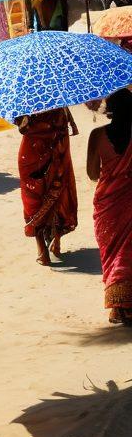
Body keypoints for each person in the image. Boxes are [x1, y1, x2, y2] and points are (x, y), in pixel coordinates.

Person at [89, 89, 132, 324]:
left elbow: (92, 173)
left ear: (110, 109)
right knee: (128, 253)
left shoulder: (97, 136)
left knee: (112, 253)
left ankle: (117, 305)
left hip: (107, 204)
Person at [17, 108, 78, 265]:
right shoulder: (59, 102)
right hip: (58, 146)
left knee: (33, 196)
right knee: (58, 188)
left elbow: (21, 127)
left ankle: (42, 251)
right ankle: (55, 241)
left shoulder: (28, 101)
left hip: (32, 151)